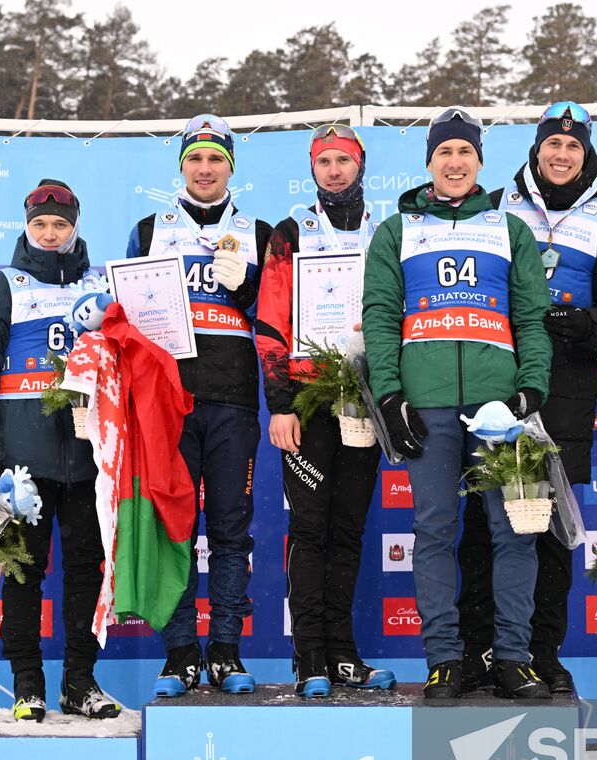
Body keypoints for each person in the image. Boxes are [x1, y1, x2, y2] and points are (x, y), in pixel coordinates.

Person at [361, 108, 554, 700]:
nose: (454, 162)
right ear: (429, 162)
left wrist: (531, 388)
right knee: (435, 532)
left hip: (499, 412)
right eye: (444, 152)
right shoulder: (398, 230)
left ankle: (513, 657)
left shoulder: (509, 228)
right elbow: (381, 315)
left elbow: (530, 316)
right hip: (429, 405)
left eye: (464, 153)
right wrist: (390, 395)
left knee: (514, 532)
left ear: (479, 162)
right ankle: (445, 657)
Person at [456, 101, 597, 696]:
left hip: (565, 388)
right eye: (551, 147)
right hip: (494, 381)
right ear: (536, 152)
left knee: (551, 525)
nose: (561, 156)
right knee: (485, 524)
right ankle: (480, 649)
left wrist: (586, 324)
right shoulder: (496, 208)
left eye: (573, 148)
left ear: (586, 155)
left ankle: (542, 651)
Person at [0, 179, 119, 722]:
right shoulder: (1, 287)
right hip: (22, 465)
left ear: (75, 229)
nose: (50, 235)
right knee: (24, 572)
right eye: (40, 225)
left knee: (86, 570)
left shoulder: (101, 289)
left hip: (88, 458)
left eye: (61, 226)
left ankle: (80, 681)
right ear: (27, 227)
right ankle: (27, 684)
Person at [126, 114, 273, 696]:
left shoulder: (259, 230)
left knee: (232, 530)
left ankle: (227, 651)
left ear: (230, 167)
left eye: (216, 159)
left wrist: (245, 287)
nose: (205, 169)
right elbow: (126, 318)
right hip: (168, 402)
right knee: (174, 526)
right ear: (181, 166)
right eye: (195, 159)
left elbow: (276, 315)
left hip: (234, 402)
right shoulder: (148, 229)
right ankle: (181, 651)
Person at [255, 124, 396, 698]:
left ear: (361, 166)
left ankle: (344, 654)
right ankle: (308, 654)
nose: (334, 170)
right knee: (309, 531)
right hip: (308, 404)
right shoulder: (291, 234)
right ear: (312, 170)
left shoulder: (387, 232)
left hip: (364, 401)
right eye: (324, 162)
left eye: (344, 160)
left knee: (349, 530)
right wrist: (281, 405)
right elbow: (268, 324)